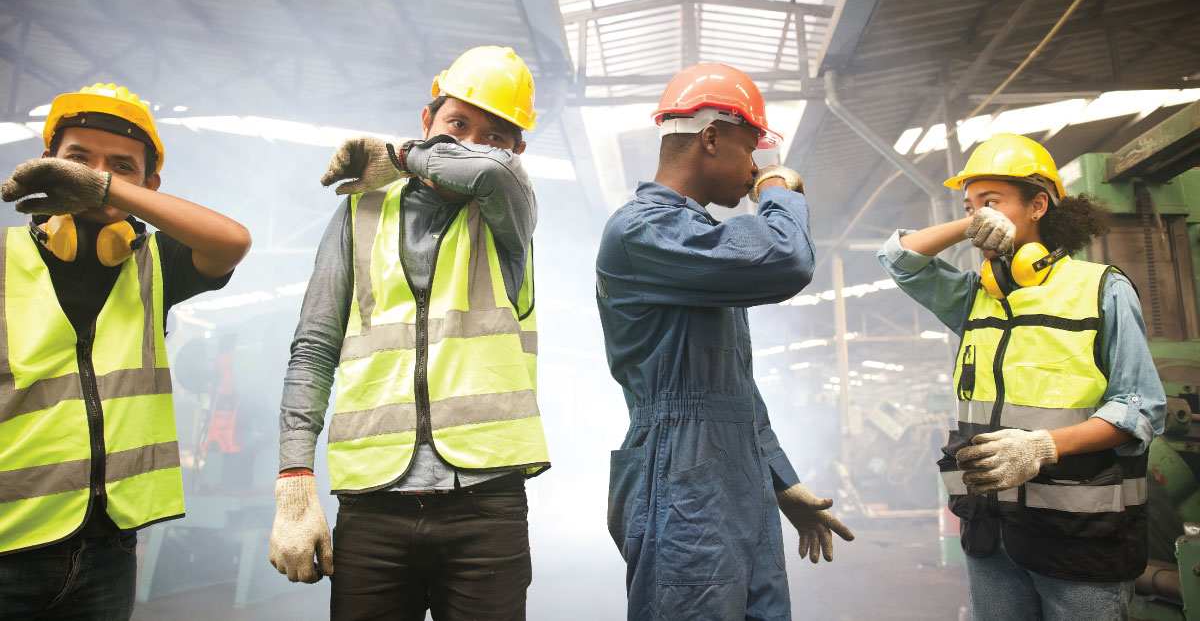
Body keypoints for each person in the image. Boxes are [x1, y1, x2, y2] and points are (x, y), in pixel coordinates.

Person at [269, 45, 550, 621]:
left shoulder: (507, 208)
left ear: (517, 151)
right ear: (428, 119)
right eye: (456, 123)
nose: (469, 143)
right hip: (373, 507)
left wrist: (401, 155)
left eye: (494, 135)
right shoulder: (360, 212)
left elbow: (490, 173)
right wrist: (295, 484)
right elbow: (314, 350)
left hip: (485, 503)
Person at [596, 63, 854, 621]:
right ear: (710, 138)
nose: (755, 167)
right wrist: (777, 189)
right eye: (750, 150)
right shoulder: (643, 232)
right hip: (682, 481)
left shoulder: (699, 243)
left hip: (734, 479)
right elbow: (787, 258)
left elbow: (734, 388)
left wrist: (780, 480)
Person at [877, 133, 1166, 620]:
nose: (979, 214)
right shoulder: (975, 297)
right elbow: (898, 259)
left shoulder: (1101, 289)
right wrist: (968, 224)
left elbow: (1140, 408)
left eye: (992, 201)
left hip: (1080, 541)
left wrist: (1042, 447)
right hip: (991, 534)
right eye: (970, 206)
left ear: (1038, 205)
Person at [0, 83, 252, 620]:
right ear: (49, 165)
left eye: (119, 166)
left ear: (149, 184)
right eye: (77, 161)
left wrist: (105, 189)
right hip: (7, 550)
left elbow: (232, 241)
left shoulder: (156, 262)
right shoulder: (3, 260)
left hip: (108, 550)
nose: (93, 175)